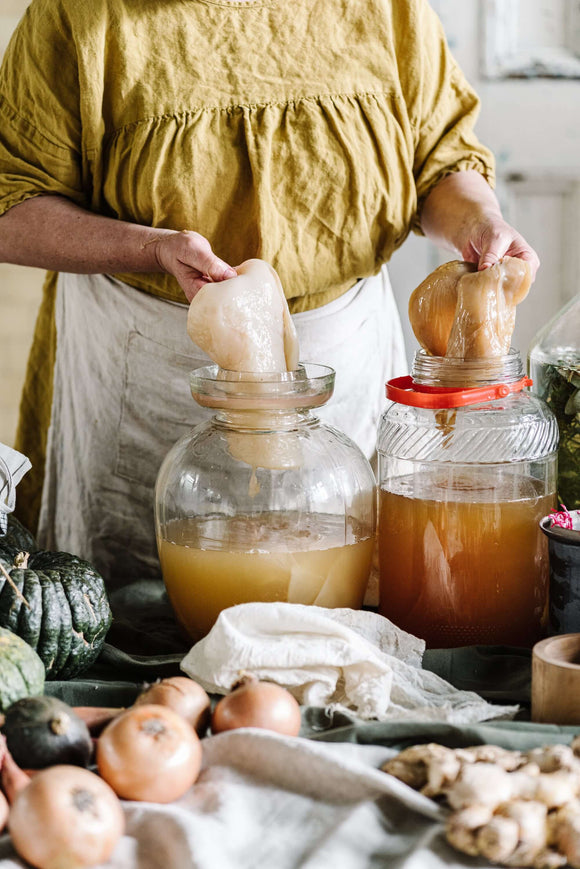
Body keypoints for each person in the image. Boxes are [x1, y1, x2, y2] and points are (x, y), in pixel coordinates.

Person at [0, 0, 539, 586]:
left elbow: (439, 161)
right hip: (144, 382)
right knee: (129, 620)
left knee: (337, 602)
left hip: (345, 378)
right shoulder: (78, 17)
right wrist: (152, 247)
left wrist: (477, 222)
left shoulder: (388, 9)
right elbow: (11, 205)